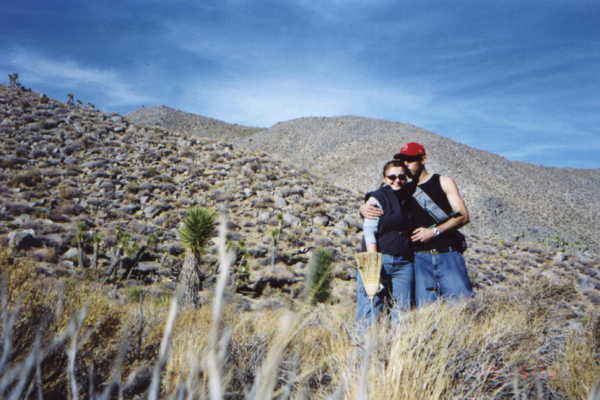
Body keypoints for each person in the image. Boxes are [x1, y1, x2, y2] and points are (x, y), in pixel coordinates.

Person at [361, 142, 473, 307]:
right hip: (418, 259)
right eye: (403, 160)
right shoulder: (402, 188)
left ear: (423, 159)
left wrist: (434, 232)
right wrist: (363, 207)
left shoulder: (443, 181)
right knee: (425, 309)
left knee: (461, 303)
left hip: (447, 254)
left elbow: (463, 216)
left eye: (411, 160)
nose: (406, 164)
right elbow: (378, 197)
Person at [356, 160, 414, 326]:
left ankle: (399, 350)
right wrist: (374, 262)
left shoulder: (408, 199)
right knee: (370, 309)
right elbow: (369, 230)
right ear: (384, 178)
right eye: (392, 177)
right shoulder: (378, 197)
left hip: (403, 263)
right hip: (377, 259)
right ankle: (365, 351)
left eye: (402, 177)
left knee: (402, 312)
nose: (397, 180)